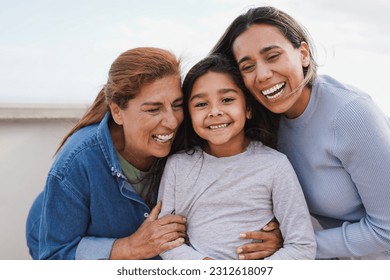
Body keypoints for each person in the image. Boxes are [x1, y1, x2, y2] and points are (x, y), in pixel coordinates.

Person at [211, 6, 390, 259]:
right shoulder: (265, 121)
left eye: (272, 56)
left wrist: (294, 243)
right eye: (248, 66)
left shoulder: (351, 114)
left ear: (303, 54)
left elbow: (387, 230)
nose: (262, 75)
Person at [25, 47, 188, 260]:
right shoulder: (77, 159)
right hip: (51, 237)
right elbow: (54, 255)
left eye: (177, 105)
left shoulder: (187, 140)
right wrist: (129, 248)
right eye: (153, 109)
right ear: (117, 111)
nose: (172, 121)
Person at [157, 54, 316, 260]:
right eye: (201, 104)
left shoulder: (274, 165)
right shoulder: (178, 166)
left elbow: (302, 246)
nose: (214, 112)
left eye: (227, 100)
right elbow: (165, 240)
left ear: (248, 108)